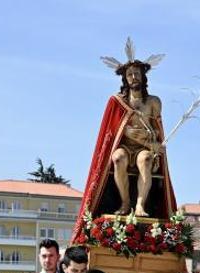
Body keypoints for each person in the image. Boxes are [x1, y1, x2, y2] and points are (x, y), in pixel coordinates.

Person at [73, 39, 177, 236]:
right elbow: (113, 133)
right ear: (125, 79)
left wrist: (153, 143)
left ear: (143, 77)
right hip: (124, 147)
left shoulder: (153, 102)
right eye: (130, 74)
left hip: (144, 149)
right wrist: (132, 135)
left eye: (137, 73)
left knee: (145, 159)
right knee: (118, 158)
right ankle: (125, 201)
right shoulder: (117, 101)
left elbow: (157, 130)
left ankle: (140, 204)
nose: (134, 77)